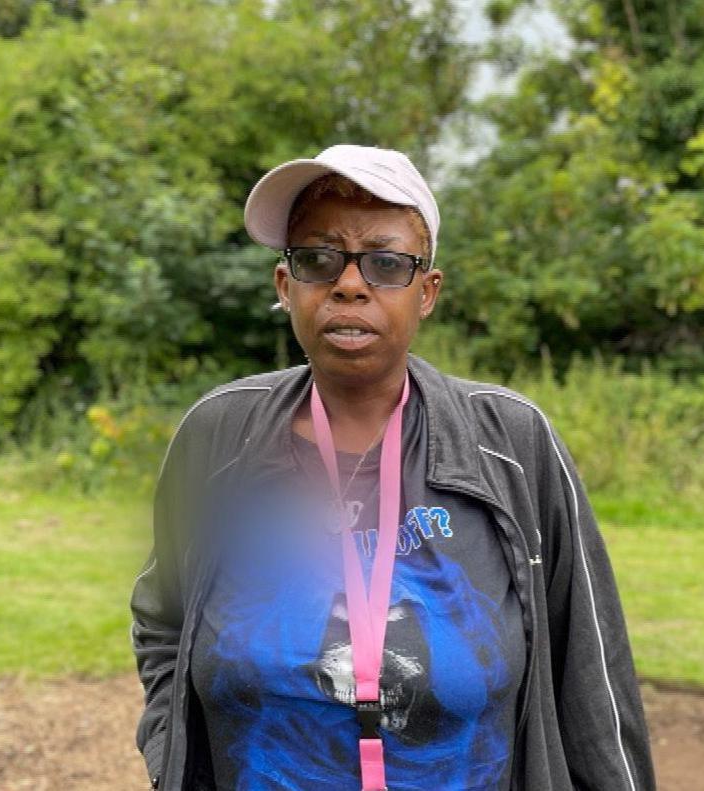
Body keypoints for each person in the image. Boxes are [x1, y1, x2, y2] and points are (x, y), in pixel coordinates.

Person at [131, 144, 655, 790]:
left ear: (427, 291)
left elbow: (593, 671)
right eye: (318, 258)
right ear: (284, 283)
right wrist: (169, 751)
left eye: (385, 263)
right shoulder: (218, 438)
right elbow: (163, 620)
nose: (349, 283)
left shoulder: (512, 444)